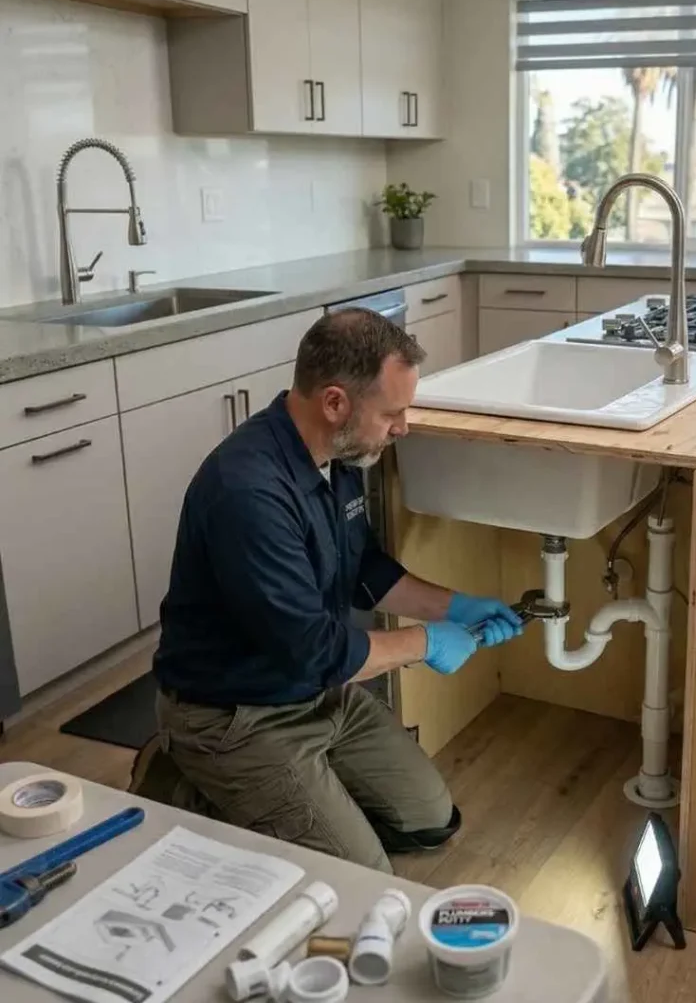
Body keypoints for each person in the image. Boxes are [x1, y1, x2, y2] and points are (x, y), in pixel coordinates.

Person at [130, 308, 523, 872]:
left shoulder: (337, 456)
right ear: (335, 402)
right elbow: (314, 650)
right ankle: (184, 780)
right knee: (361, 877)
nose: (403, 427)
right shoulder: (248, 493)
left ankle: (296, 791)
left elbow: (362, 568)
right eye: (393, 412)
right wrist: (426, 642)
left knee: (430, 819)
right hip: (234, 712)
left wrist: (455, 605)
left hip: (315, 693)